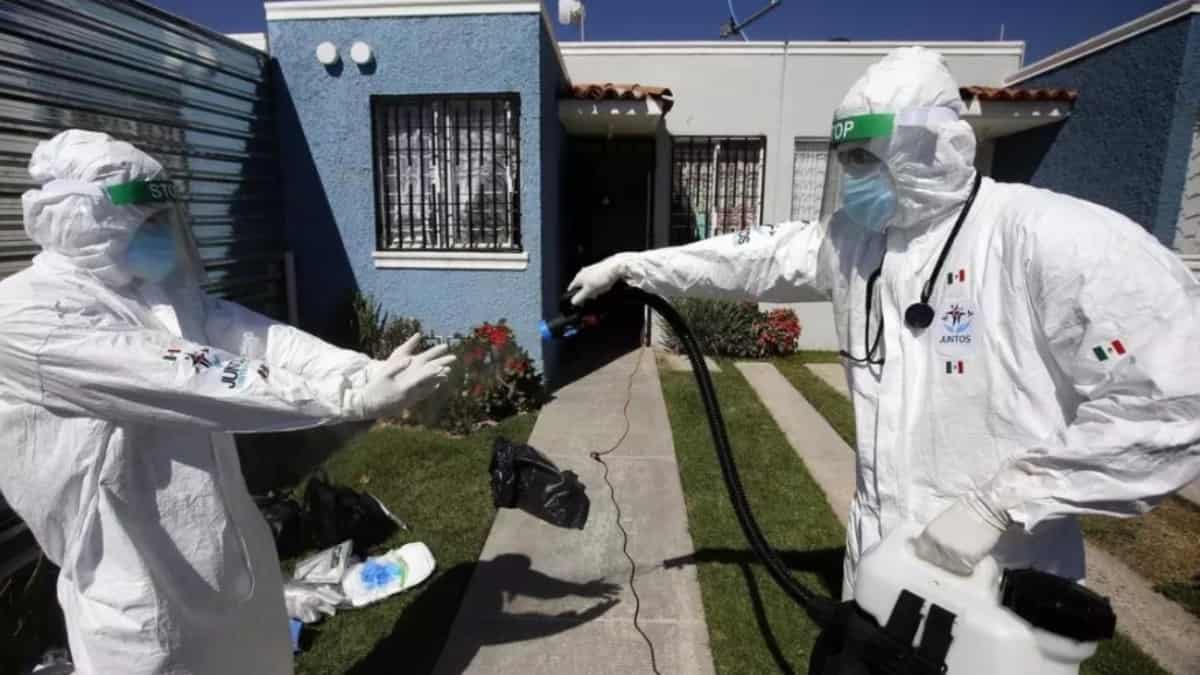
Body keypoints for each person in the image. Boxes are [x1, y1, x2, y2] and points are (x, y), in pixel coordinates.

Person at [569, 46, 1200, 599]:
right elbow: (751, 257)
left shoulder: (1045, 237)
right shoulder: (856, 242)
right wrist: (634, 266)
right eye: (848, 160)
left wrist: (1004, 502)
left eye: (867, 158)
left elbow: (1174, 399)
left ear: (928, 146)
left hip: (1006, 574)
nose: (854, 178)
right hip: (878, 558)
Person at [0, 129, 454, 674]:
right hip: (136, 583)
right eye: (147, 222)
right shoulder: (26, 318)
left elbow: (260, 341)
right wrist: (347, 395)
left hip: (224, 552)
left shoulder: (157, 297)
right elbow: (182, 377)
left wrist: (364, 371)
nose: (165, 235)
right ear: (88, 223)